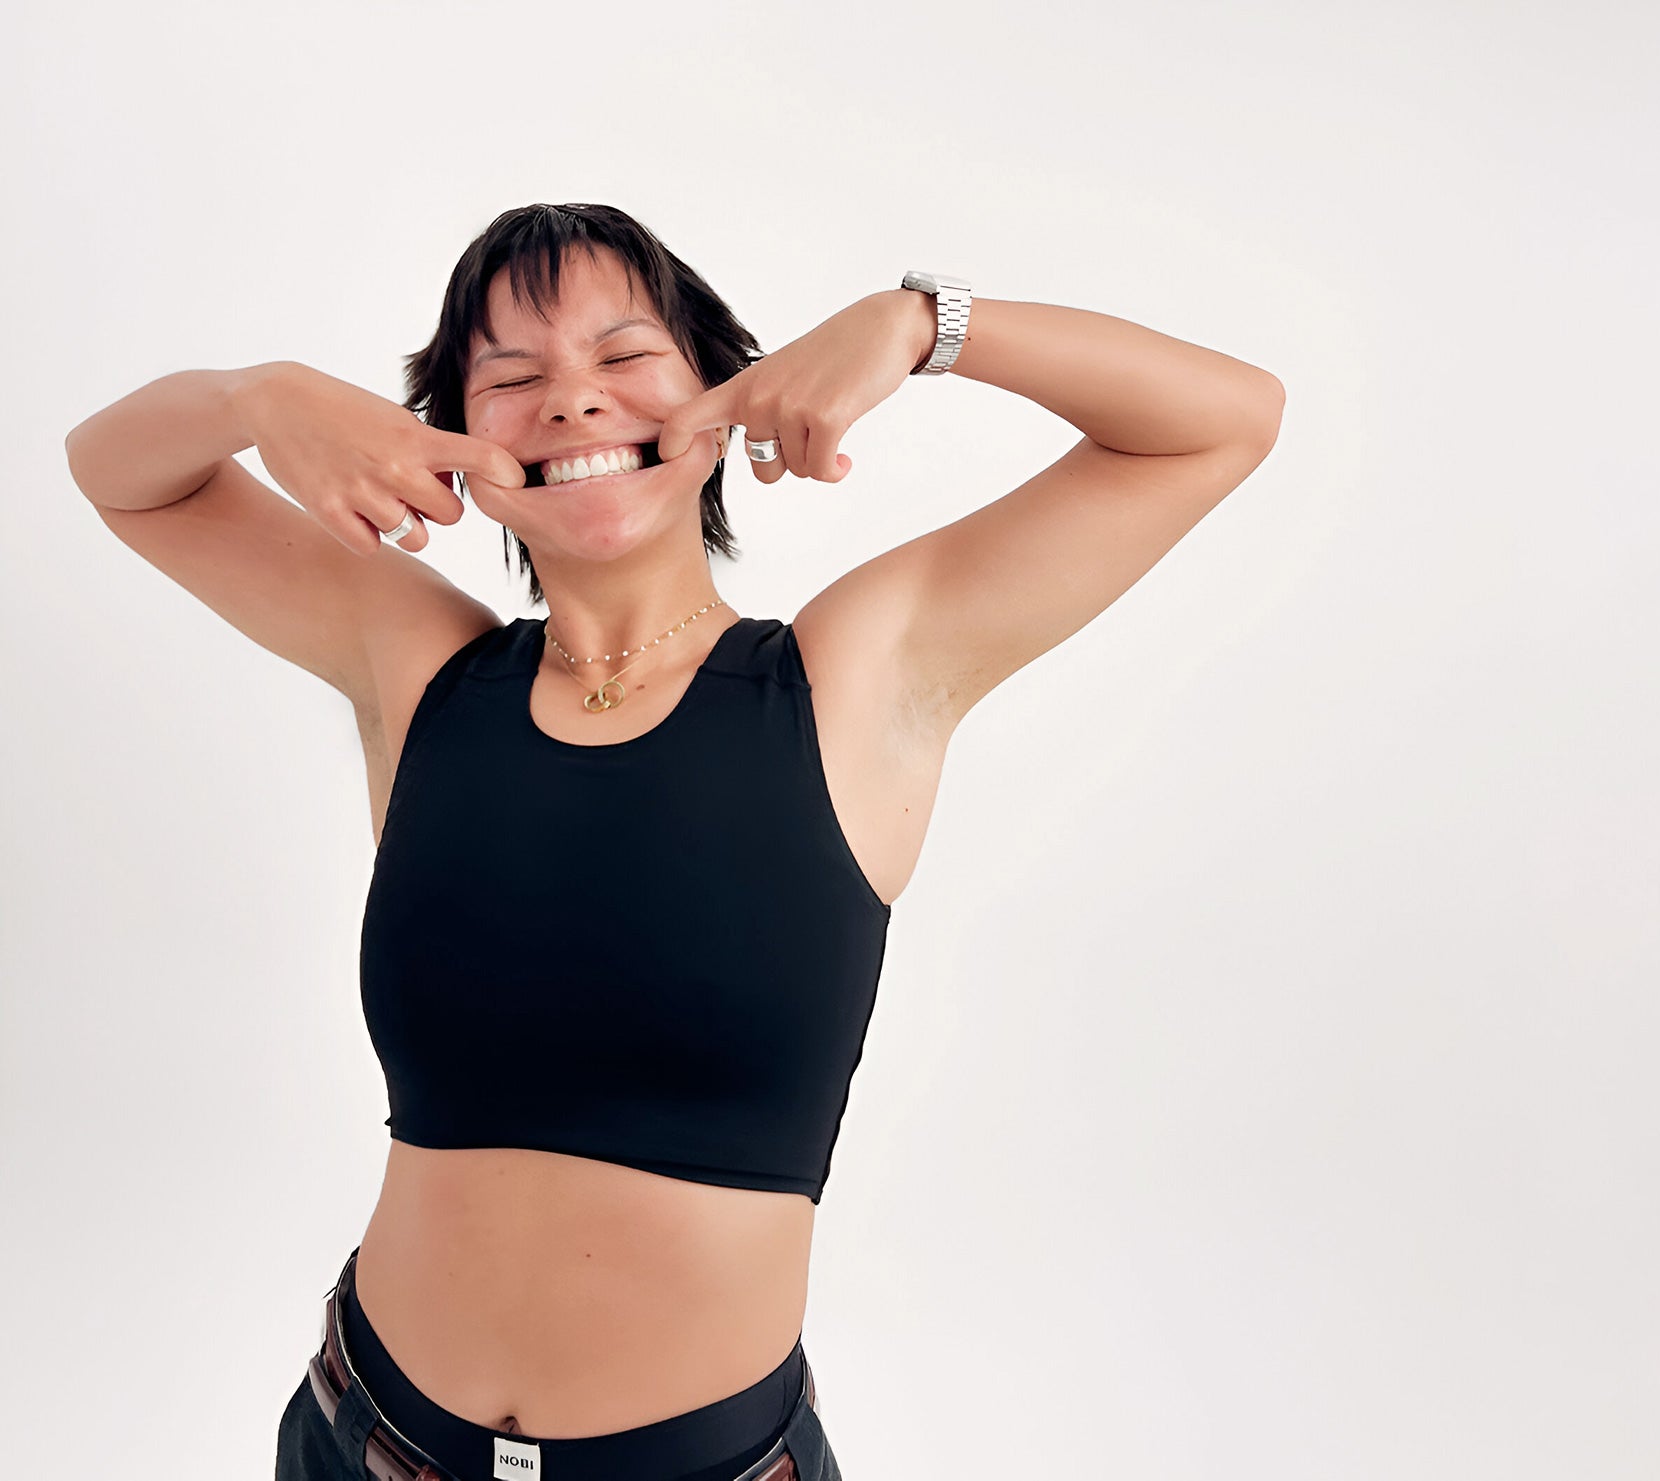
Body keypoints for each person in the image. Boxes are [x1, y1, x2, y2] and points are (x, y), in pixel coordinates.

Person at [66, 202, 1284, 1480]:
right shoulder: (420, 670)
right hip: (366, 1435)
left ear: (725, 392)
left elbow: (1222, 420)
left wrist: (920, 326)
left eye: (626, 356)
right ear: (450, 437)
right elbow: (121, 474)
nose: (574, 401)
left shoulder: (853, 674)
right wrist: (261, 398)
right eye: (513, 375)